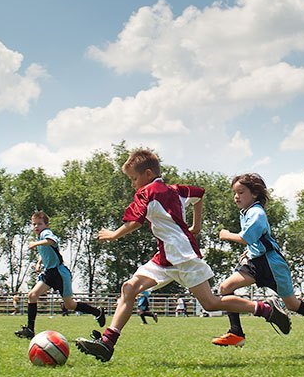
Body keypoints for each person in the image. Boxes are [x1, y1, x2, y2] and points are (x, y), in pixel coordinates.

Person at [75, 149, 290, 363]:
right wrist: (196, 226)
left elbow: (135, 221)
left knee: (211, 303)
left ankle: (264, 309)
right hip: (164, 258)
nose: (133, 184)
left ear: (148, 174)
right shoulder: (176, 190)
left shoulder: (147, 192)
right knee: (129, 288)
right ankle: (108, 343)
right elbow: (199, 194)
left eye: (134, 178)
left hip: (184, 257)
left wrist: (114, 235)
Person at [213, 173, 304, 352]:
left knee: (292, 304)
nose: (236, 196)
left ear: (255, 194)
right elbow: (258, 240)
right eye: (235, 193)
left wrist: (226, 234)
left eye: (241, 192)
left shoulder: (256, 213)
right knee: (225, 288)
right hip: (257, 262)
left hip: (272, 264)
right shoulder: (246, 212)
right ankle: (236, 333)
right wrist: (249, 252)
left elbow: (247, 237)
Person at [15, 210, 106, 339]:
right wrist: (39, 262)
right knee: (32, 295)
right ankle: (30, 329)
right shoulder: (40, 237)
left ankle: (97, 312)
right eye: (34, 224)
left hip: (59, 273)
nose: (36, 226)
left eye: (39, 224)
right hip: (49, 273)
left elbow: (52, 241)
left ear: (46, 225)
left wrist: (35, 244)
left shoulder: (46, 234)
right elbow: (48, 251)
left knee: (69, 305)